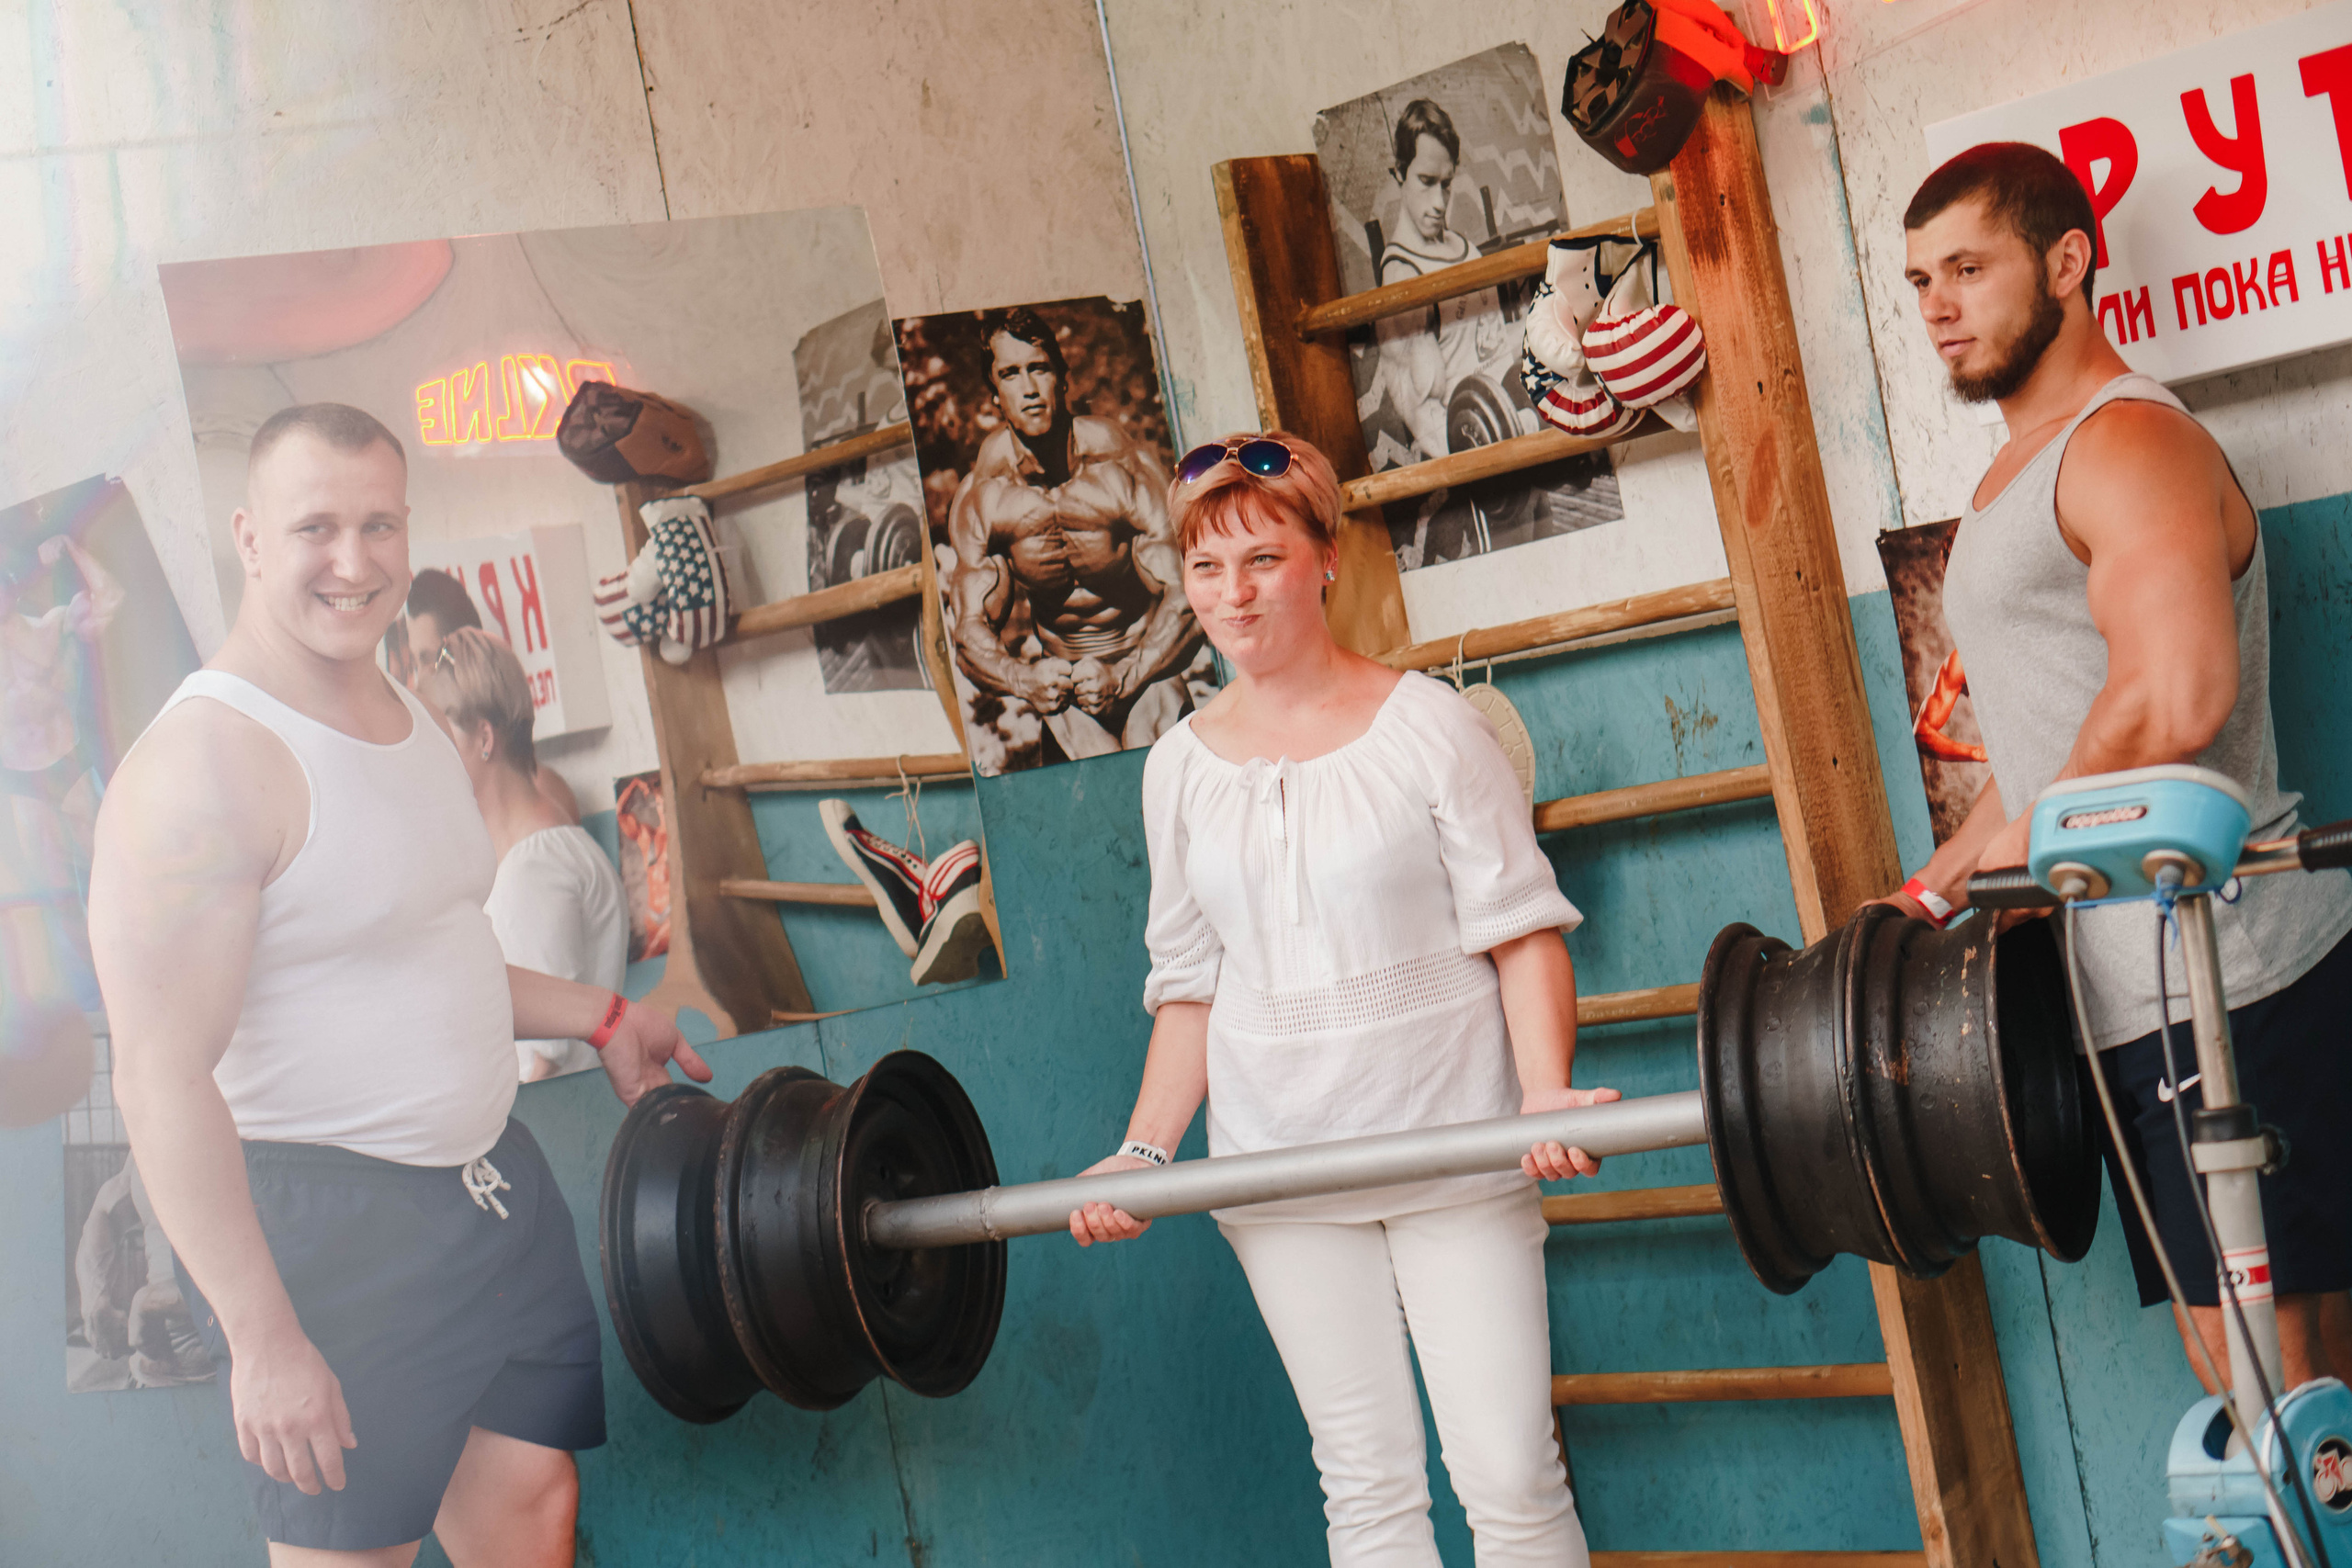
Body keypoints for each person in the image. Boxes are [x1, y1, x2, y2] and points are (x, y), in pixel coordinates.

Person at [86, 401, 709, 1567]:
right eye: (316, 525)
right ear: (250, 537)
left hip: (489, 1195)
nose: (354, 560)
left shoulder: (413, 719)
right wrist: (262, 1336)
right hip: (332, 1231)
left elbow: (436, 955)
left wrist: (607, 1012)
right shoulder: (200, 768)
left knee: (533, 1504)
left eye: (380, 524)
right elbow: (157, 1078)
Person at [1068, 431, 1612, 1567]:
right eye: (1207, 569)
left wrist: (1549, 1090)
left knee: (1510, 1474)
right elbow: (1189, 987)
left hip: (1454, 1147)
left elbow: (1521, 931)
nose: (1234, 594)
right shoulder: (1176, 769)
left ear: (1323, 557)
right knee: (1366, 1492)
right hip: (1283, 1171)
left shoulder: (1429, 726)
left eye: (1261, 559)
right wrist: (1143, 1151)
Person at [1888, 143, 2352, 1393]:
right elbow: (2055, 743)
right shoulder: (2013, 475)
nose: (1937, 303)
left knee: (2296, 1404)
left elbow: (2176, 693)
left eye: (1969, 269)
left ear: (2069, 262)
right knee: (2248, 1402)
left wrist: (2033, 854)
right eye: (1921, 278)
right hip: (2130, 988)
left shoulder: (2129, 440)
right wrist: (1933, 890)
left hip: (2231, 970)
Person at [944, 307, 1203, 761]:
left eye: (1038, 369)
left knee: (1153, 762)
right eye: (1010, 374)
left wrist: (1124, 675)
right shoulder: (984, 497)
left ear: (1062, 379)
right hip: (1066, 695)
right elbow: (968, 635)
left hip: (1146, 670)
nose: (1028, 388)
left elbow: (1189, 599)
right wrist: (1024, 679)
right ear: (994, 396)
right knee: (1098, 787)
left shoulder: (1121, 468)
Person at [421, 628, 627, 1082]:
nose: (428, 756)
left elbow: (541, 1064)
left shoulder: (532, 869)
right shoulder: (540, 846)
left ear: (484, 738)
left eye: (440, 734)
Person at [1366, 99, 1514, 467]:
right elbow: (1423, 414)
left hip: (1514, 423)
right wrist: (1486, 467)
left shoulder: (1467, 251)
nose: (1439, 202)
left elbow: (1498, 350)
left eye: (1446, 185)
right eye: (1426, 182)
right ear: (1399, 173)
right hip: (1477, 456)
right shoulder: (1402, 275)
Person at [400, 566, 579, 823]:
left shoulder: (544, 792)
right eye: (415, 665)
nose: (419, 682)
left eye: (430, 661)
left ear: (469, 652)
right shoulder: (435, 797)